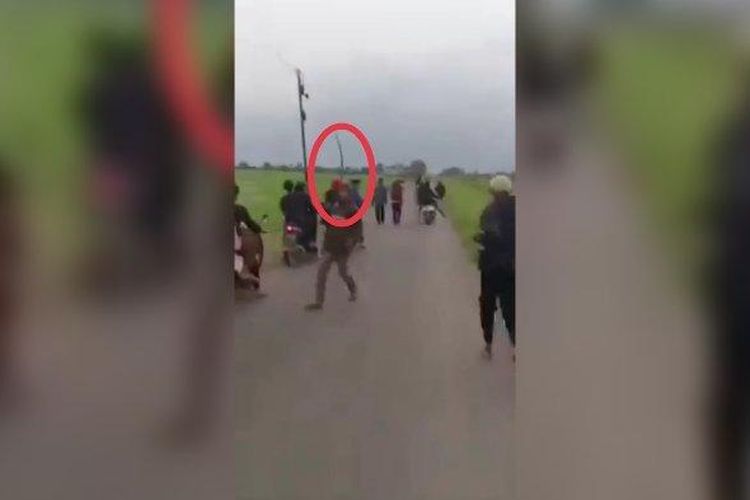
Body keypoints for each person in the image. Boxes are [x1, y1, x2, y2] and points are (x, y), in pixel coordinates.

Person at [476, 175, 515, 358]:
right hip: (511, 268)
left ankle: (488, 345)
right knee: (511, 308)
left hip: (491, 267)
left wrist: (481, 238)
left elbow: (488, 236)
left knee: (487, 306)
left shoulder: (489, 211)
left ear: (493, 192)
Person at [306, 183, 361, 310]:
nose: (342, 194)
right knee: (321, 274)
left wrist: (351, 242)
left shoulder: (353, 210)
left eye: (344, 192)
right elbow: (320, 210)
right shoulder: (333, 207)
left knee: (343, 272)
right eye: (340, 191)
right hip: (330, 245)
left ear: (349, 193)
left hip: (343, 248)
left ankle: (352, 289)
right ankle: (319, 302)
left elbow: (357, 230)